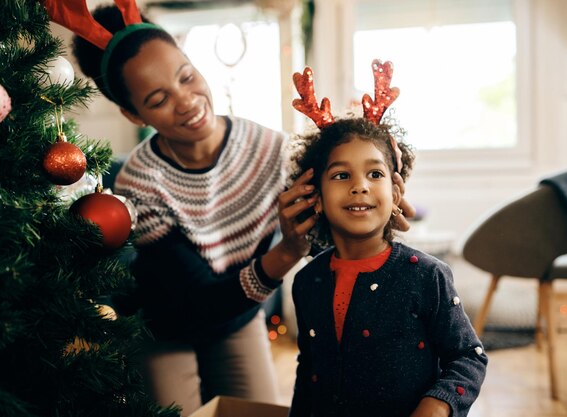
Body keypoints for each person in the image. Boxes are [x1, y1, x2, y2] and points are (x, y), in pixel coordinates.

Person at [45, 1, 417, 414]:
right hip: (166, 326)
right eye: (157, 98)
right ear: (133, 113)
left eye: (186, 76)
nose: (186, 100)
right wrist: (286, 253)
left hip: (239, 318)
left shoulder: (273, 151)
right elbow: (195, 302)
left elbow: (335, 206)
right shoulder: (140, 182)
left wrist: (378, 199)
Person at [288, 61, 487, 417]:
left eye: (374, 173)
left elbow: (467, 357)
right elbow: (310, 372)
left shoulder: (427, 276)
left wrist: (438, 405)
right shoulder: (307, 281)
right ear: (315, 196)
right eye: (341, 174)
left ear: (395, 192)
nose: (359, 185)